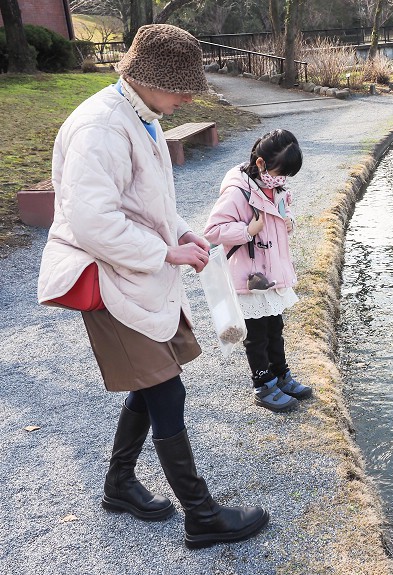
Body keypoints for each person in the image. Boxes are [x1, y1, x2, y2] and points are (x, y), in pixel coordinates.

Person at [37, 24, 268, 549]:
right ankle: (201, 513)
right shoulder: (101, 128)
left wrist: (182, 231)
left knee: (153, 380)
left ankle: (119, 484)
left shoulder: (140, 116)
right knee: (166, 386)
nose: (188, 97)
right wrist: (166, 251)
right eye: (181, 86)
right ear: (147, 77)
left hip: (134, 272)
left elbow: (149, 202)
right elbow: (94, 223)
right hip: (106, 275)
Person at [204, 129, 312, 413]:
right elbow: (213, 231)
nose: (282, 179)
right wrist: (246, 231)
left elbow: (282, 215)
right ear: (261, 163)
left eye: (286, 175)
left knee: (276, 327)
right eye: (280, 172)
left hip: (272, 274)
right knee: (257, 334)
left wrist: (290, 223)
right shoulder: (238, 192)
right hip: (251, 277)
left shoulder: (274, 187)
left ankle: (281, 375)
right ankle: (263, 384)